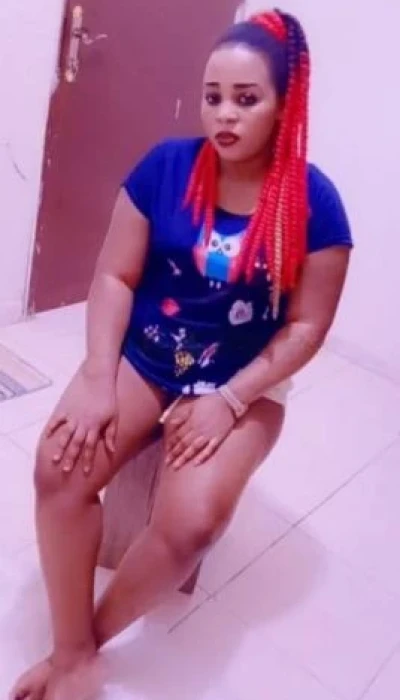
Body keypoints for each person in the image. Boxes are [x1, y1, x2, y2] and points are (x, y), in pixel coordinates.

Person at [11, 9, 353, 700]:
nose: (224, 113)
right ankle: (72, 655)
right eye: (212, 95)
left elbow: (307, 328)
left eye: (246, 99)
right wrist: (97, 374)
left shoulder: (315, 204)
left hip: (244, 379)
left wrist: (230, 399)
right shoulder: (165, 169)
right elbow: (115, 277)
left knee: (191, 523)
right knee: (58, 467)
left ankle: (86, 642)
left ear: (283, 105)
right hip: (148, 353)